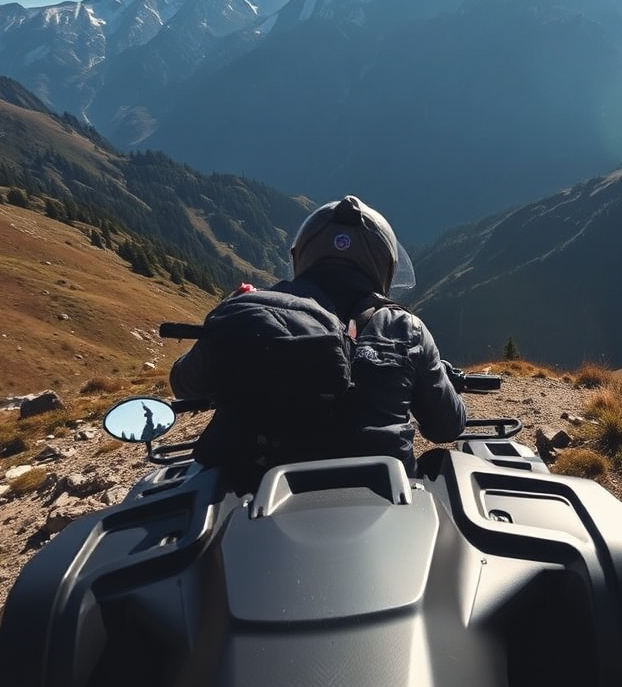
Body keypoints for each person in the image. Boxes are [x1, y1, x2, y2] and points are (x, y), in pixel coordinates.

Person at [170, 195, 466, 482]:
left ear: (303, 255)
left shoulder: (256, 313)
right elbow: (446, 428)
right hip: (381, 498)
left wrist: (231, 321)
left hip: (255, 507)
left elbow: (184, 384)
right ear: (384, 264)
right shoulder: (404, 327)